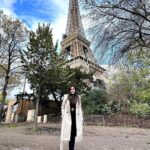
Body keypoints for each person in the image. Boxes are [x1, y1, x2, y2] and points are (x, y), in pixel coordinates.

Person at [60, 86, 83, 150]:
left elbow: (80, 108)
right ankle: (70, 148)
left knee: (73, 134)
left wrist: (81, 117)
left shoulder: (78, 97)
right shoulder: (66, 96)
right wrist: (63, 114)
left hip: (76, 118)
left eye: (73, 89)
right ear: (69, 90)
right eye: (71, 89)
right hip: (68, 118)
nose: (72, 90)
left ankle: (72, 148)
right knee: (68, 134)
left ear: (75, 90)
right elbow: (62, 106)